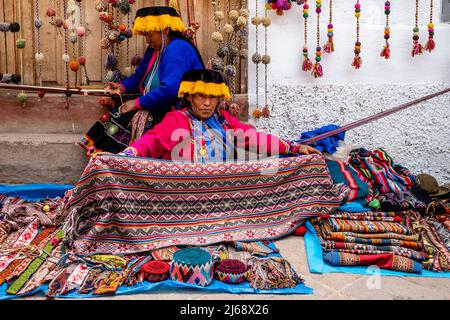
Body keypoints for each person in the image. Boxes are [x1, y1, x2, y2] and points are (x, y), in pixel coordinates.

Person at [117, 69, 320, 161]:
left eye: (212, 97)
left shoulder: (224, 120)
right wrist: (125, 157)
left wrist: (294, 146)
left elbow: (253, 138)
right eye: (200, 96)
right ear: (188, 96)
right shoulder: (178, 120)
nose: (207, 103)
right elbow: (152, 141)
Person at [79, 6, 205, 156]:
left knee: (140, 126)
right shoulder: (155, 50)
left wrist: (137, 103)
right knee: (116, 119)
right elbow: (140, 76)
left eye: (150, 35)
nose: (147, 40)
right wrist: (122, 87)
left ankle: (130, 170)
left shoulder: (178, 48)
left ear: (165, 30)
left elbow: (170, 90)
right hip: (155, 104)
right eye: (145, 35)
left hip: (177, 110)